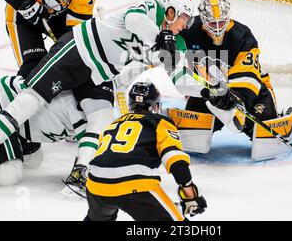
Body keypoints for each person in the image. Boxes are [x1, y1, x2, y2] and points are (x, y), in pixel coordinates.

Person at [0, 0, 193, 180]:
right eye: (185, 18)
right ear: (171, 11)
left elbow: (179, 76)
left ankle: (81, 171)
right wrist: (160, 37)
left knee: (102, 115)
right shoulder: (153, 7)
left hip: (99, 74)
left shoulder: (168, 44)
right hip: (79, 49)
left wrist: (209, 91)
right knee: (35, 96)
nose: (185, 26)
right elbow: (133, 20)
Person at [84, 82, 207, 221]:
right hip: (134, 184)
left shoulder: (114, 123)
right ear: (155, 105)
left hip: (95, 183)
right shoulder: (160, 121)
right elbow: (175, 160)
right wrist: (190, 193)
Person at [0, 75, 113, 190]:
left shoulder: (94, 110)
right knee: (9, 174)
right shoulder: (90, 114)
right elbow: (91, 160)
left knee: (34, 160)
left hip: (21, 122)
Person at [180, 0, 278, 138]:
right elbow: (167, 55)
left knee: (264, 126)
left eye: (222, 21)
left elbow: (248, 75)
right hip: (210, 93)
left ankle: (263, 118)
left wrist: (235, 98)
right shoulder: (187, 30)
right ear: (202, 18)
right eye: (213, 23)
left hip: (250, 92)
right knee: (191, 131)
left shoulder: (242, 35)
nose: (218, 28)